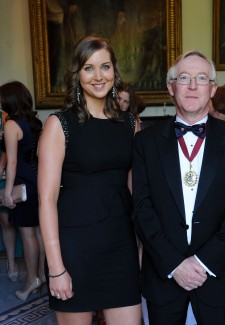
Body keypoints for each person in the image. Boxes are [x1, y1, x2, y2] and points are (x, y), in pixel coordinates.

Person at [132, 50, 225, 325]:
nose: (192, 86)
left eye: (201, 78)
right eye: (184, 78)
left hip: (218, 279)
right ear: (170, 87)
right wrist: (175, 264)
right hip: (164, 278)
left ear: (212, 88)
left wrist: (203, 262)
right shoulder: (145, 142)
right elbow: (141, 208)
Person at [38, 35, 141, 325]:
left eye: (105, 67)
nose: (99, 76)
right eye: (89, 68)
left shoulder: (131, 124)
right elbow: (47, 200)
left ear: (114, 71)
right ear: (77, 74)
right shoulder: (60, 125)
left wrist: (143, 249)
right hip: (74, 249)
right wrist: (56, 267)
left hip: (120, 245)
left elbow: (135, 191)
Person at [0, 81, 45, 300]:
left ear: (9, 99)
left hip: (23, 182)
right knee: (38, 231)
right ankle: (41, 275)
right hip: (38, 180)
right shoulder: (34, 121)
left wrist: (8, 192)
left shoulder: (11, 124)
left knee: (28, 233)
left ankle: (31, 280)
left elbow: (13, 162)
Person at [0, 109, 18, 282]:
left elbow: (7, 148)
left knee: (6, 221)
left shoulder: (4, 117)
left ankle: (11, 262)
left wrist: (1, 165)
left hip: (1, 175)